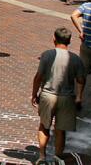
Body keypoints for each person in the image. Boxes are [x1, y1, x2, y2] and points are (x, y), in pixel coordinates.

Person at [31, 26, 86, 159]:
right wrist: (79, 97)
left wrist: (34, 94)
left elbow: (38, 76)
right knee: (60, 131)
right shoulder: (76, 59)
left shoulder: (47, 55)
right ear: (70, 40)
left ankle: (42, 156)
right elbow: (81, 80)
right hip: (67, 97)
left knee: (44, 126)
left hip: (48, 95)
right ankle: (58, 158)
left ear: (54, 39)